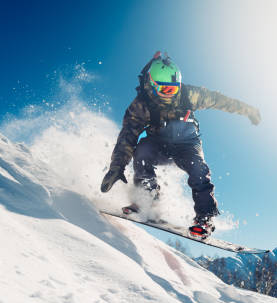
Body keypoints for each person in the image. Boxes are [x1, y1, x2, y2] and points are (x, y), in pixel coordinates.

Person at [100, 51, 261, 238]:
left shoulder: (188, 95)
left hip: (187, 143)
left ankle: (204, 218)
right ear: (151, 85)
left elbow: (220, 101)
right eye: (165, 90)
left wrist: (247, 110)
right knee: (142, 151)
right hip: (159, 143)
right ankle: (147, 199)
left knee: (198, 169)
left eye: (174, 89)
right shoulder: (141, 105)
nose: (171, 94)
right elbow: (127, 136)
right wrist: (117, 167)